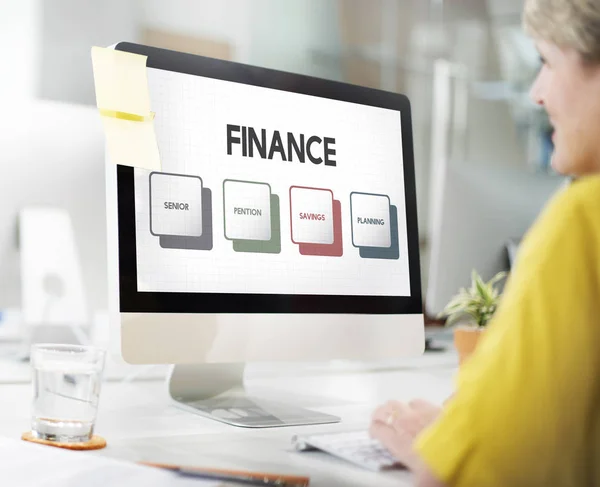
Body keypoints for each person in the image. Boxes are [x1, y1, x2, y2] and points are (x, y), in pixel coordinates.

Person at [369, 0, 600, 485]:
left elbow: (487, 469)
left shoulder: (583, 219)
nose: (537, 93)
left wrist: (440, 444)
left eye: (546, 62)